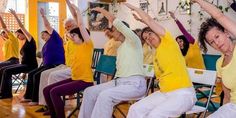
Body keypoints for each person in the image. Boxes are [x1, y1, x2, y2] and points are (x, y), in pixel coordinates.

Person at [124, 3, 196, 118]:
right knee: (135, 109)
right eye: (146, 38)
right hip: (164, 93)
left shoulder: (169, 43)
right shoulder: (156, 53)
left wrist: (136, 9)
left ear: (157, 33)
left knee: (155, 115)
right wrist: (142, 22)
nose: (149, 38)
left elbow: (151, 22)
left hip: (183, 93)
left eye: (150, 34)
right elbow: (149, 25)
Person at [79, 7, 146, 118]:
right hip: (119, 82)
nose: (111, 32)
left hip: (135, 84)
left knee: (105, 96)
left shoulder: (134, 41)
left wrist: (102, 10)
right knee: (89, 92)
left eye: (113, 29)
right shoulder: (120, 48)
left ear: (121, 30)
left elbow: (116, 22)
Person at [43, 1, 94, 118]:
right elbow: (72, 30)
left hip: (85, 80)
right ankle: (53, 114)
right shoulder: (74, 44)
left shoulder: (87, 45)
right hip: (75, 77)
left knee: (54, 92)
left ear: (81, 36)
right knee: (47, 90)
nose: (71, 37)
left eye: (74, 35)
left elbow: (80, 25)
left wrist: (78, 11)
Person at [192, 0, 236, 117]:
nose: (216, 42)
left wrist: (199, 1)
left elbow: (219, 15)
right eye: (212, 42)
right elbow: (227, 96)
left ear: (226, 32)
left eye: (217, 36)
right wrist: (222, 112)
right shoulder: (219, 63)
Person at [21, 8, 65, 105]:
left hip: (56, 65)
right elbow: (43, 54)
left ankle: (36, 100)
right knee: (32, 73)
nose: (42, 37)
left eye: (44, 35)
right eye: (41, 37)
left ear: (49, 33)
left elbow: (47, 25)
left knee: (37, 76)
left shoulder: (56, 38)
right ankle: (28, 96)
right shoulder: (46, 44)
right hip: (46, 65)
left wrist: (43, 16)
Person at [0, 9, 38, 99]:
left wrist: (15, 15)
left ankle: (6, 94)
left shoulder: (30, 40)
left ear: (24, 33)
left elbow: (21, 26)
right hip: (24, 64)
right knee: (4, 70)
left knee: (6, 71)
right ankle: (4, 92)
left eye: (18, 35)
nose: (17, 37)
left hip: (30, 65)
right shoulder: (24, 43)